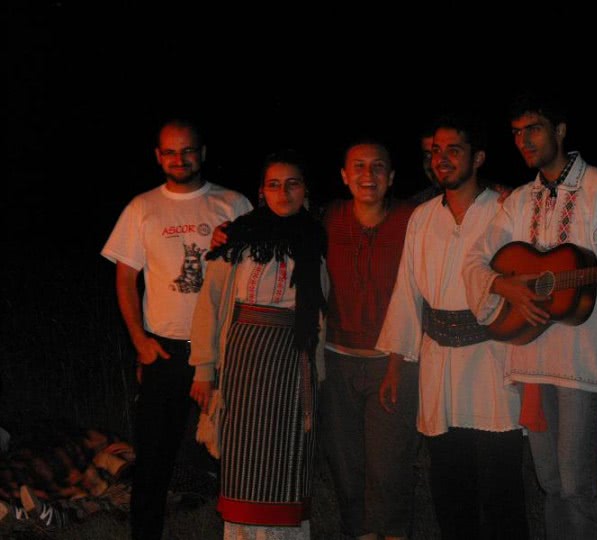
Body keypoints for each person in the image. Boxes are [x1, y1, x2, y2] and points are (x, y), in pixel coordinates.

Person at [462, 90, 597, 539]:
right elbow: (476, 260)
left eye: (534, 129)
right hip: (532, 355)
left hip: (582, 357)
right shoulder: (519, 200)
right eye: (516, 132)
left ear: (560, 131)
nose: (523, 140)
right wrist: (503, 284)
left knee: (576, 484)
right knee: (550, 481)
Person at [376, 114, 528, 539]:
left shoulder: (507, 211)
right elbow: (407, 291)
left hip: (494, 360)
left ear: (477, 158)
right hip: (439, 365)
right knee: (449, 483)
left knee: (501, 485)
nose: (441, 159)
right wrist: (395, 364)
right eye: (436, 151)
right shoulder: (422, 217)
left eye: (454, 150)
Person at [101, 118, 252, 540]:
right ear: (158, 156)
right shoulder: (142, 207)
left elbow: (257, 269)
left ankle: (244, 528)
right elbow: (125, 279)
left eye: (187, 150)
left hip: (223, 348)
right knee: (154, 456)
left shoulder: (233, 203)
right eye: (170, 151)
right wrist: (139, 341)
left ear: (202, 153)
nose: (179, 159)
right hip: (165, 351)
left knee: (235, 449)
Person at [189, 150, 328, 540]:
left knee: (286, 461)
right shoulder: (237, 238)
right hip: (243, 366)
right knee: (245, 464)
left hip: (292, 366)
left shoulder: (317, 238)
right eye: (274, 184)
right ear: (262, 192)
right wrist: (204, 369)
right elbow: (210, 304)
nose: (284, 192)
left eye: (293, 183)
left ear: (306, 189)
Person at [321, 139, 419, 540]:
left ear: (391, 177)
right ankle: (359, 532)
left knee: (390, 461)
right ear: (344, 176)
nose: (368, 175)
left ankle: (391, 531)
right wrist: (229, 230)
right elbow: (278, 215)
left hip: (391, 359)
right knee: (345, 461)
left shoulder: (412, 219)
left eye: (377, 166)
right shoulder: (327, 218)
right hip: (336, 358)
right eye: (358, 166)